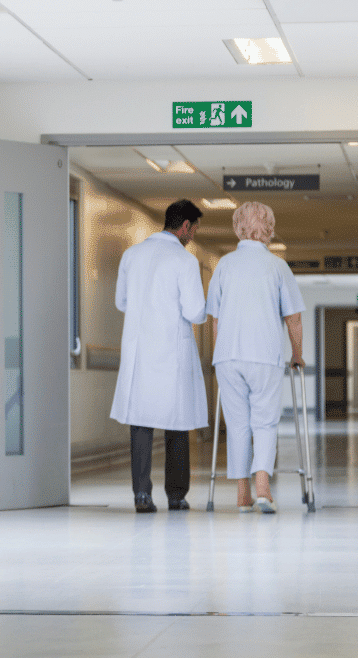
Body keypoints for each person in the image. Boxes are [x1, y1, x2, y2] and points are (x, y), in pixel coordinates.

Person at [206, 201, 305, 514]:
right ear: (270, 230)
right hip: (264, 355)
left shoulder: (223, 265)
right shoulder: (278, 267)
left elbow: (215, 320)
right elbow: (294, 319)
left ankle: (241, 495)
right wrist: (298, 355)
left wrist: (220, 354)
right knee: (264, 422)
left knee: (237, 424)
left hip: (228, 357)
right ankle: (263, 488)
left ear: (238, 229)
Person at [110, 199, 207, 513]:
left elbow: (122, 302)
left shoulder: (131, 255)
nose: (192, 236)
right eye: (193, 230)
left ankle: (141, 494)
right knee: (176, 423)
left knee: (140, 423)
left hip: (140, 349)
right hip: (171, 351)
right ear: (185, 227)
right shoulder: (184, 261)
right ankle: (176, 495)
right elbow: (194, 311)